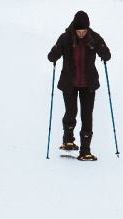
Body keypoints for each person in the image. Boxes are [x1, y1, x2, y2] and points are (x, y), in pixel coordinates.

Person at [47, 10, 111, 160]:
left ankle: (85, 150)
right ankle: (68, 140)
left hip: (89, 85)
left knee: (87, 116)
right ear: (74, 28)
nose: (81, 34)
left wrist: (104, 51)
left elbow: (105, 51)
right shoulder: (65, 38)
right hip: (69, 83)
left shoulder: (94, 38)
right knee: (71, 112)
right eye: (79, 31)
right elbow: (53, 53)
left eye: (84, 31)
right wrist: (55, 54)